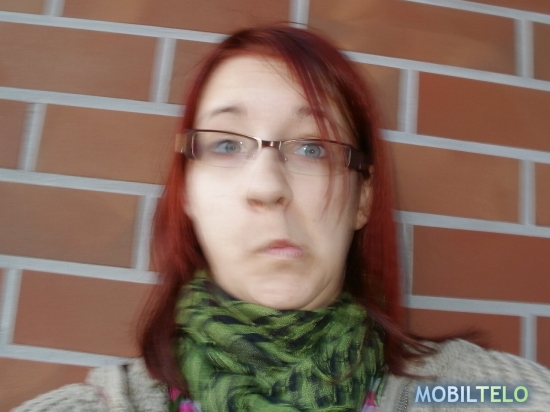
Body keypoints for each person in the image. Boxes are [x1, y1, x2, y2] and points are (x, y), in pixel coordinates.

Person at [12, 26, 550, 412]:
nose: (268, 187)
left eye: (313, 147)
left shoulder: (477, 393)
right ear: (187, 193)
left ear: (363, 199)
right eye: (226, 145)